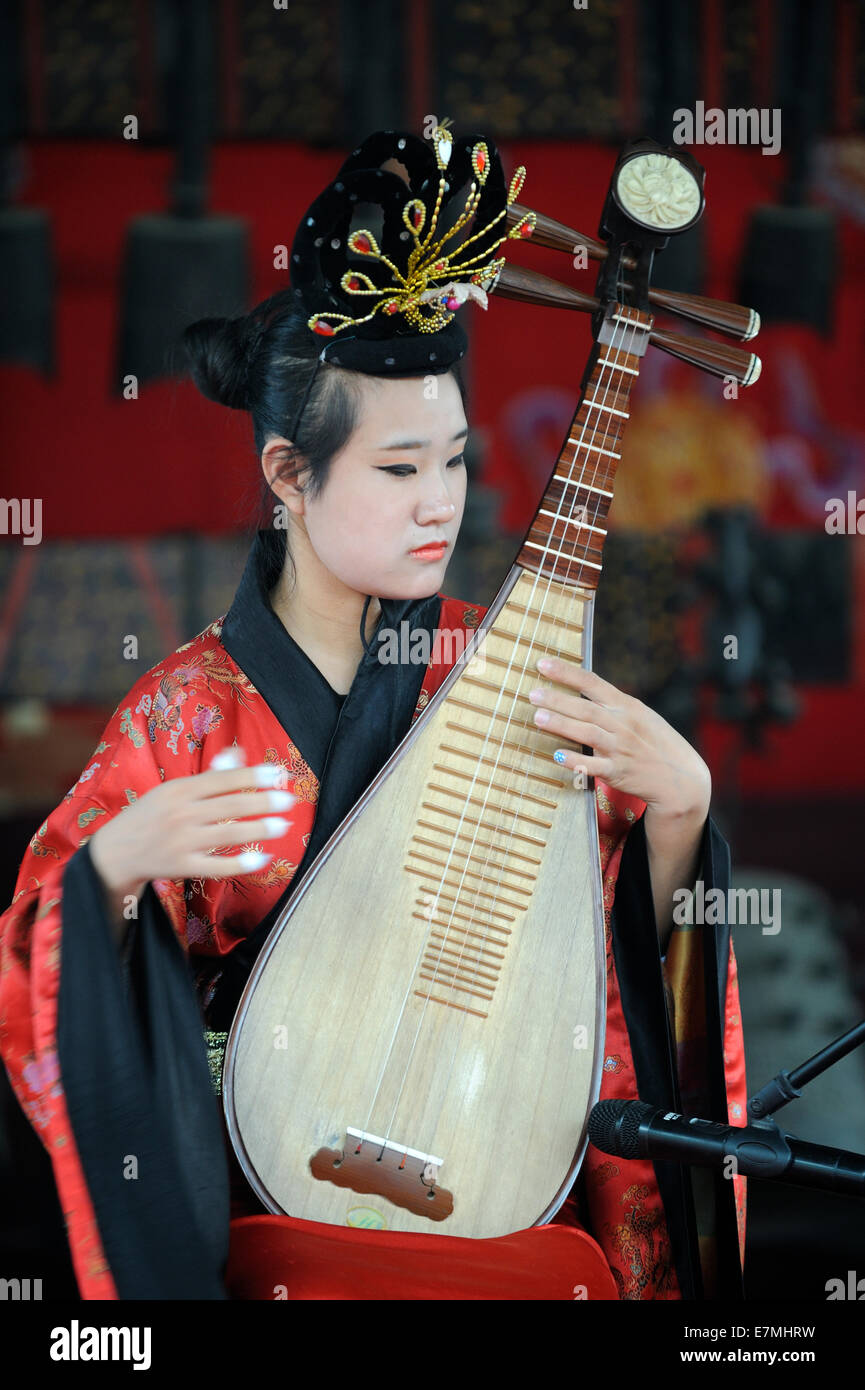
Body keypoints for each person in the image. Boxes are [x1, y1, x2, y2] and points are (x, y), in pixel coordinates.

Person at [0, 124, 746, 1301]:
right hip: (270, 1192)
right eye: (398, 470)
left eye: (452, 462)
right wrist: (108, 874)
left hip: (496, 1171)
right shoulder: (186, 710)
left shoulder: (500, 672)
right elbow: (39, 961)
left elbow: (601, 983)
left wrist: (678, 819)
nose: (438, 503)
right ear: (290, 475)